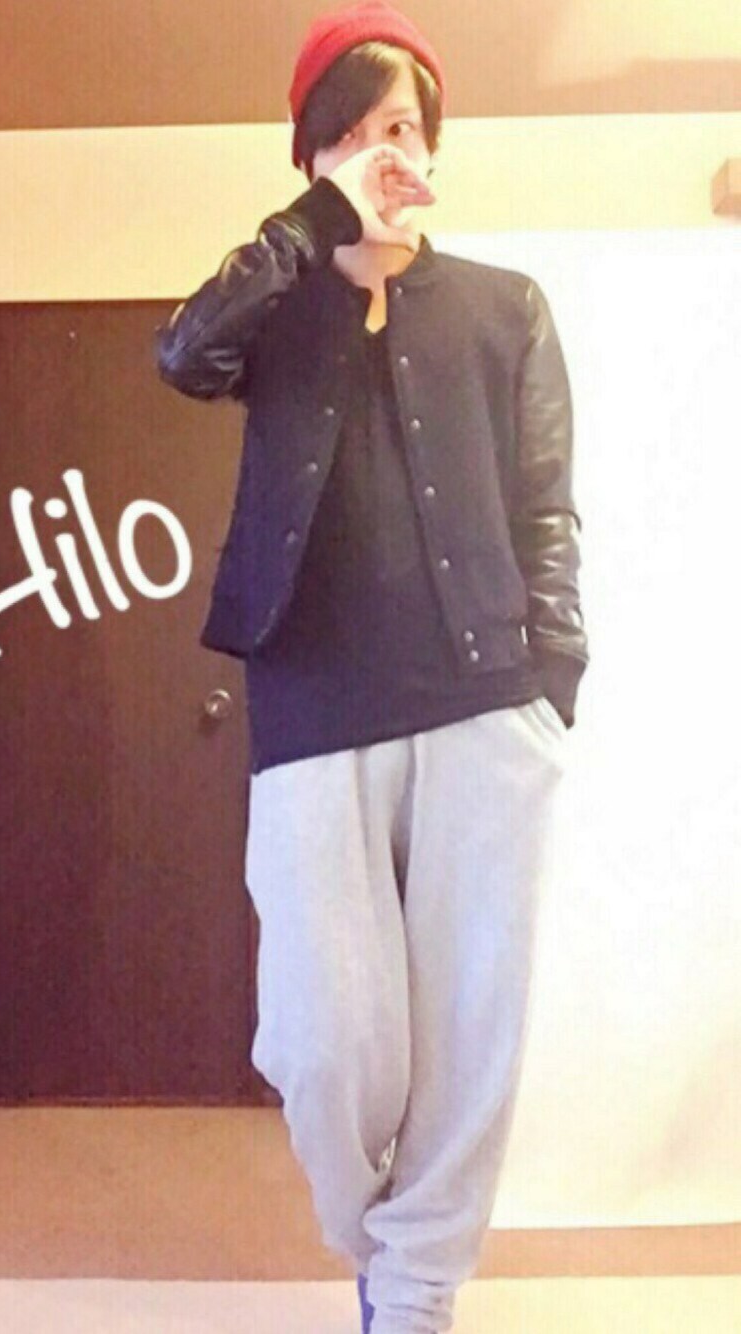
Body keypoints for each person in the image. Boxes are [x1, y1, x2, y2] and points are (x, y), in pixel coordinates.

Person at [154, 3, 589, 1330]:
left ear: (435, 145)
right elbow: (181, 354)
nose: (382, 151)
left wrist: (555, 686)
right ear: (312, 157)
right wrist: (307, 232)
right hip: (311, 706)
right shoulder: (274, 311)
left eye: (401, 125)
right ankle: (385, 1247)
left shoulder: (505, 307)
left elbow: (546, 510)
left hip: (485, 702)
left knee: (470, 1034)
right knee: (326, 1037)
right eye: (349, 133)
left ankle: (413, 1296)